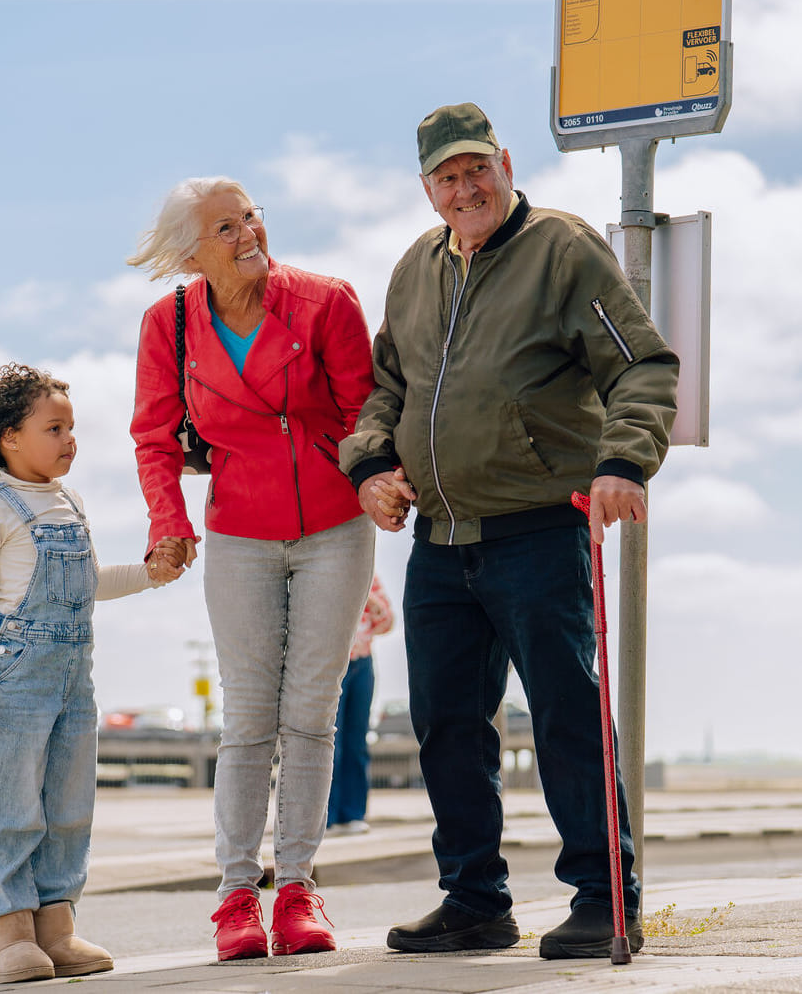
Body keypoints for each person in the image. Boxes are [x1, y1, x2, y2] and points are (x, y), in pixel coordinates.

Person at [339, 103, 679, 961]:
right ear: (426, 188)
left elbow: (639, 362)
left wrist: (622, 461)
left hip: (538, 529)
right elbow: (386, 385)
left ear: (504, 162)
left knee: (566, 713)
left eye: (475, 169)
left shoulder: (560, 249)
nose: (464, 189)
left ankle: (605, 898)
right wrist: (372, 464)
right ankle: (474, 899)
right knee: (446, 722)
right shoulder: (415, 269)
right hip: (439, 540)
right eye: (446, 178)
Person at [129, 176, 376, 961]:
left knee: (310, 710)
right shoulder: (166, 324)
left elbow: (365, 412)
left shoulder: (326, 301)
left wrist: (381, 480)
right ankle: (237, 895)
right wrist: (168, 525)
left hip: (334, 527)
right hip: (237, 532)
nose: (247, 234)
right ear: (189, 253)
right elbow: (154, 439)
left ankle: (299, 889)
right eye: (226, 227)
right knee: (247, 717)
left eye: (251, 217)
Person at [0, 362, 182, 985]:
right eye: (54, 428)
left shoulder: (71, 502)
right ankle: (10, 931)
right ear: (10, 438)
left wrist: (151, 573)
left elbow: (91, 587)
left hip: (74, 679)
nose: (69, 440)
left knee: (69, 803)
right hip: (13, 677)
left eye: (72, 428)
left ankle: (57, 926)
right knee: (11, 804)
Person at [326, 575, 394, 836]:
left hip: (362, 662)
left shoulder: (371, 578)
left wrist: (372, 600)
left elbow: (387, 623)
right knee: (332, 742)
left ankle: (353, 813)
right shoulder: (328, 568)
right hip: (333, 661)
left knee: (357, 741)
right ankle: (327, 816)